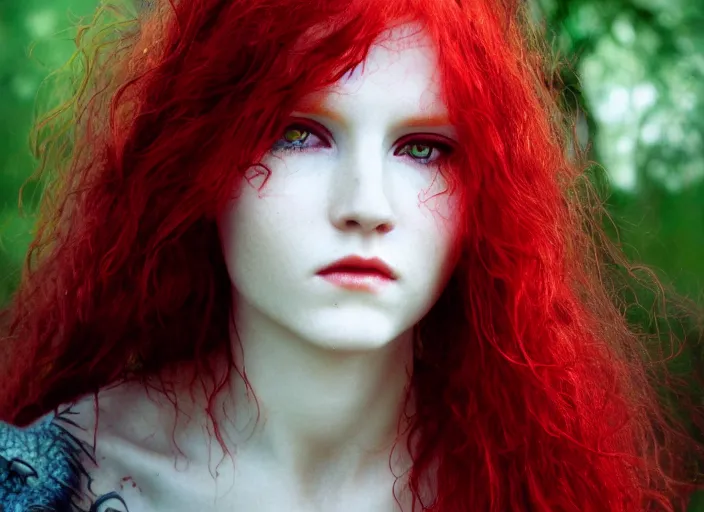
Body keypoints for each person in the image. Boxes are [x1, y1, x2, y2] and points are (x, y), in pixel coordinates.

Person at [0, 0, 702, 510]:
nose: (367, 204)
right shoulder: (47, 482)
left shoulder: (538, 489)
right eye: (299, 134)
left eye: (425, 149)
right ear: (199, 162)